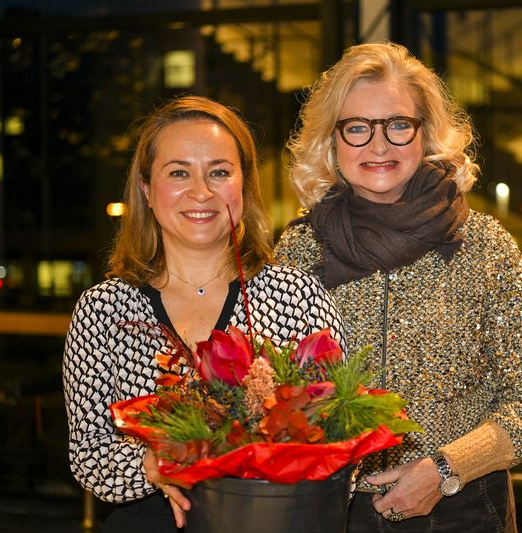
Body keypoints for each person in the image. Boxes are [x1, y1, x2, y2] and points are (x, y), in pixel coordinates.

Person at [275, 42, 522, 532]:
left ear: (425, 133)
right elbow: (273, 392)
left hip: (461, 507)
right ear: (332, 141)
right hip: (332, 511)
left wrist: (447, 468)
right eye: (357, 127)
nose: (378, 146)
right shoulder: (301, 248)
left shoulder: (482, 245)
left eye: (397, 124)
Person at [62, 96, 345, 532]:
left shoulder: (297, 295)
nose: (201, 191)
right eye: (179, 172)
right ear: (146, 189)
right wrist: (152, 464)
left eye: (219, 172)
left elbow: (340, 432)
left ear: (243, 186)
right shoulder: (102, 309)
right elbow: (89, 454)